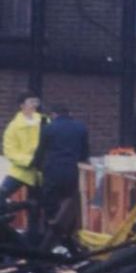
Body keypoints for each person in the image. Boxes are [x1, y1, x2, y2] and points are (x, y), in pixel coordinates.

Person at [37, 103, 89, 244]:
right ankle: (67, 235)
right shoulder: (81, 127)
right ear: (69, 113)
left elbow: (40, 152)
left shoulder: (48, 128)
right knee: (69, 203)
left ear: (54, 114)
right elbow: (85, 153)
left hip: (53, 171)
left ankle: (50, 237)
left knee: (50, 204)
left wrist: (37, 166)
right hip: (72, 170)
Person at [3, 93, 41, 207]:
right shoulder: (14, 126)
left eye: (36, 101)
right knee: (2, 195)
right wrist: (30, 161)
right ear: (22, 105)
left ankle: (33, 223)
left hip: (40, 172)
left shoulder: (44, 121)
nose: (34, 105)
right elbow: (9, 151)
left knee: (37, 205)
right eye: (31, 102)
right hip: (21, 171)